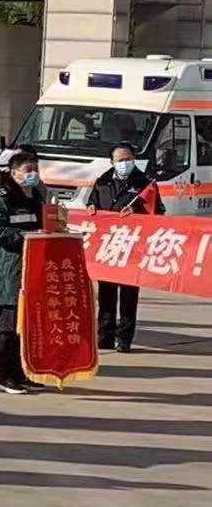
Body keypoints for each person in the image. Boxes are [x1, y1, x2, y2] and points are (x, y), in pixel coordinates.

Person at [0, 150, 51, 395]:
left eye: (35, 169)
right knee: (8, 324)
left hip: (31, 267)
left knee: (25, 324)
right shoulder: (2, 198)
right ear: (14, 173)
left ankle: (21, 373)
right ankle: (4, 376)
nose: (33, 174)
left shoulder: (36, 196)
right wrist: (26, 237)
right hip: (9, 268)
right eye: (27, 170)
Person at [89, 142, 160, 352]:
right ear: (112, 162)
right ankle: (105, 336)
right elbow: (93, 203)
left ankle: (124, 339)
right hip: (108, 246)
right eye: (120, 160)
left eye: (128, 159)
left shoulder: (145, 184)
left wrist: (137, 212)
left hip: (132, 247)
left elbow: (157, 212)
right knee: (106, 295)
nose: (125, 163)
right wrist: (91, 207)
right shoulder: (102, 182)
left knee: (129, 296)